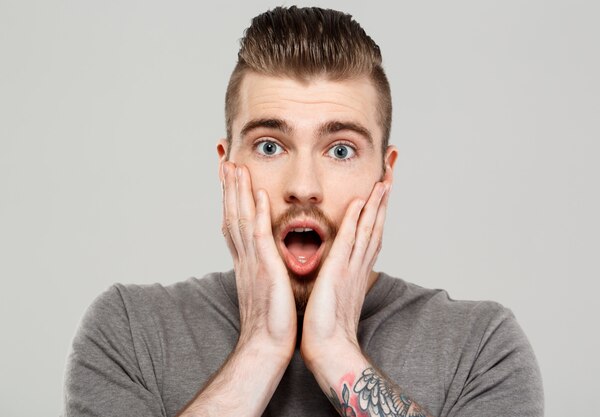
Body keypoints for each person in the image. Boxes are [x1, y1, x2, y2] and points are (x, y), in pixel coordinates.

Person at [64, 6, 543, 417]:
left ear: (385, 174)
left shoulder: (482, 347)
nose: (303, 188)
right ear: (227, 166)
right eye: (270, 146)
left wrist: (337, 352)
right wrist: (260, 348)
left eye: (340, 151)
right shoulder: (130, 331)